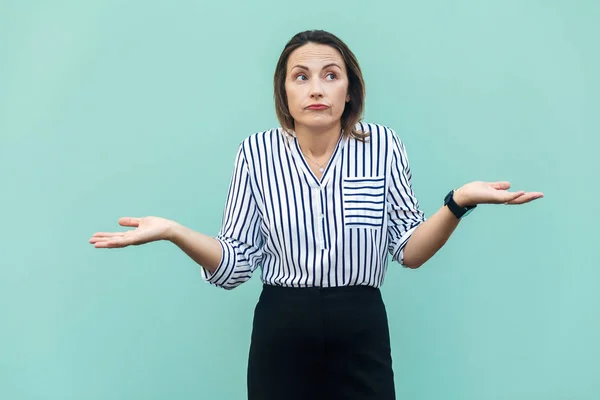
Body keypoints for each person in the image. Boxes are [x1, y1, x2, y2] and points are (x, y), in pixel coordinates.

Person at [89, 30, 543, 400]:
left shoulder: (383, 146)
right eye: (301, 77)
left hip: (360, 321)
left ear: (350, 90)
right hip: (282, 324)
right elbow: (234, 264)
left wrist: (458, 201)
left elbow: (409, 251)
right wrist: (173, 231)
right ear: (284, 92)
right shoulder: (257, 153)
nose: (317, 88)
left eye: (330, 75)